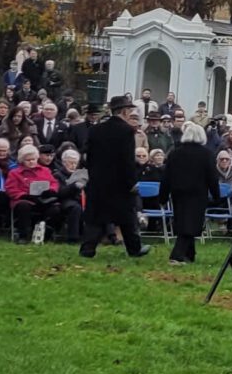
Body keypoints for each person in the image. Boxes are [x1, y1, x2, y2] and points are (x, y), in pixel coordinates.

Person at [78, 96, 149, 260]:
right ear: (123, 111)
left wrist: (94, 174)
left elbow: (87, 155)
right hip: (120, 183)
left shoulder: (95, 130)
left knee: (96, 217)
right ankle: (134, 249)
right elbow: (127, 160)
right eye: (129, 110)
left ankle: (87, 249)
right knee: (127, 218)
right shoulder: (126, 131)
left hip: (98, 181)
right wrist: (131, 182)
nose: (130, 113)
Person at [162, 122, 217, 263]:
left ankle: (189, 254)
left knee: (184, 222)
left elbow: (166, 176)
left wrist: (163, 196)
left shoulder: (175, 153)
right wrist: (216, 195)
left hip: (178, 193)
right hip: (197, 194)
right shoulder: (206, 154)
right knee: (190, 224)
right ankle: (177, 255)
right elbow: (212, 176)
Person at [5, 143, 64, 244]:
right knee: (23, 206)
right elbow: (11, 189)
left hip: (44, 199)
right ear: (22, 160)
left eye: (33, 159)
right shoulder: (14, 173)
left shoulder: (45, 170)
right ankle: (23, 235)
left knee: (55, 209)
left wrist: (51, 190)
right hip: (24, 200)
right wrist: (24, 195)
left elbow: (54, 183)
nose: (31, 162)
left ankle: (47, 234)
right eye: (28, 160)